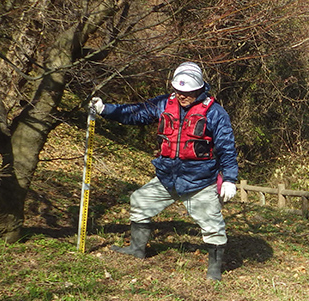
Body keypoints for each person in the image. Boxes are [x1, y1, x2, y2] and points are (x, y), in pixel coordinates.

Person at [89, 62, 239, 281]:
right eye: (178, 91)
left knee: (213, 226)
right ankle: (137, 249)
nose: (182, 96)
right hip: (167, 177)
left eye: (187, 92)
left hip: (199, 182)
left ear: (199, 89)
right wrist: (105, 109)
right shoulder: (164, 104)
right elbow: (136, 113)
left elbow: (226, 147)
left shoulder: (215, 112)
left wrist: (229, 179)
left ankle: (214, 271)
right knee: (139, 201)